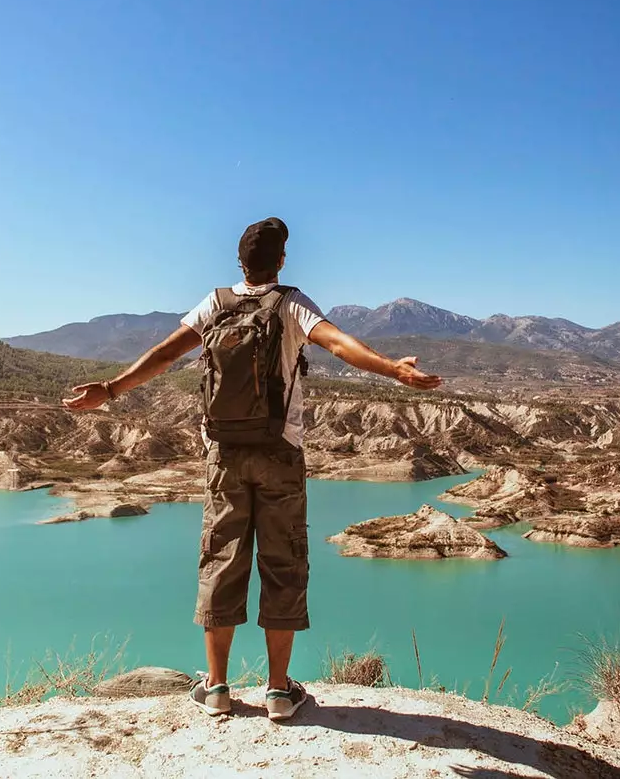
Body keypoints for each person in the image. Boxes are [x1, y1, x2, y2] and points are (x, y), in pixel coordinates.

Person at [63, 217, 442, 720]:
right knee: (283, 564)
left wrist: (109, 390)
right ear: (281, 261)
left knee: (220, 560)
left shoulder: (215, 303)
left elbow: (164, 354)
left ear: (239, 263)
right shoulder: (290, 303)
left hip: (223, 456)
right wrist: (395, 369)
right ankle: (280, 692)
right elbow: (338, 344)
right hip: (280, 455)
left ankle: (217, 688)